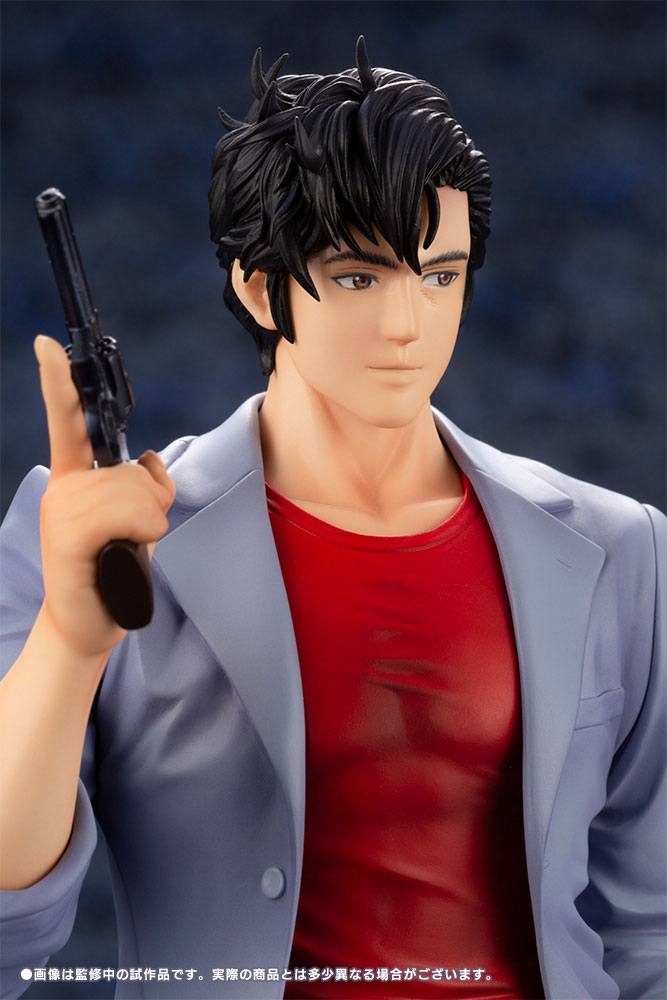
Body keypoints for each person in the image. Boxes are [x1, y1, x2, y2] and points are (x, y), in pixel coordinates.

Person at [0, 37, 664, 1000]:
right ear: (258, 287)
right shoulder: (99, 540)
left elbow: (650, 930)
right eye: (358, 276)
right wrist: (68, 643)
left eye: (438, 275)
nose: (406, 324)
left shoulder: (616, 548)